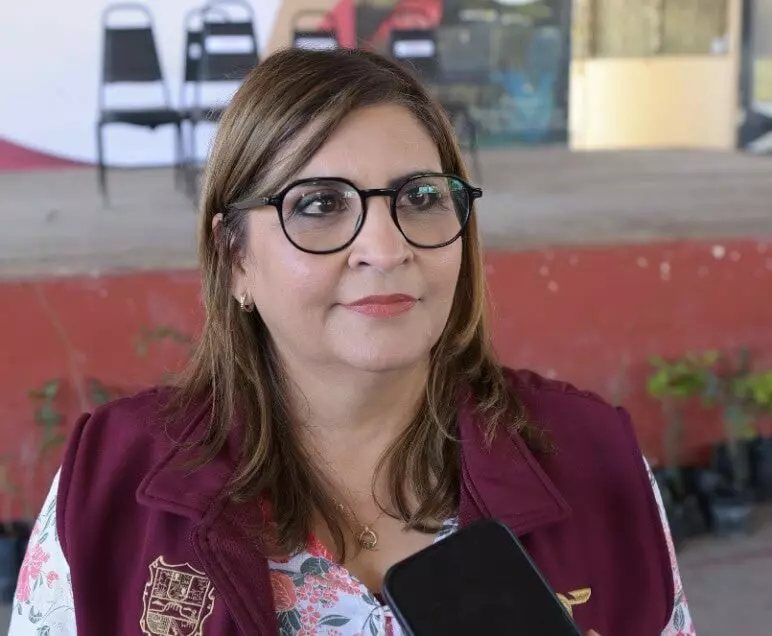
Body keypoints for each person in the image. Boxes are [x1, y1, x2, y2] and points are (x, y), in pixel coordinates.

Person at [11, 48, 695, 636]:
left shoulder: (596, 457)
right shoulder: (110, 483)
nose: (386, 248)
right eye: (319, 204)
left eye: (421, 198)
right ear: (234, 257)